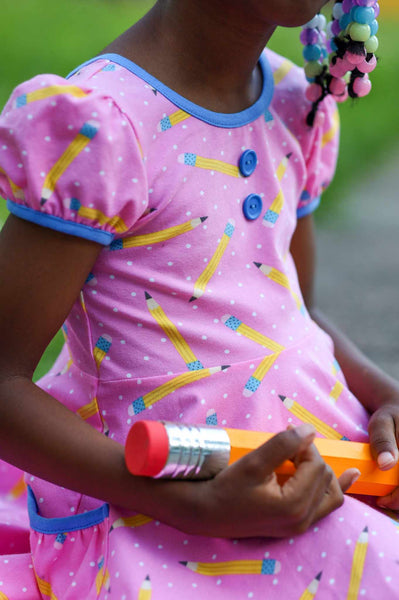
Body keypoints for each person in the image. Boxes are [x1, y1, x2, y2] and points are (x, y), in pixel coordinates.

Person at [0, 0, 395, 598]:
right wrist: (191, 506)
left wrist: (382, 392)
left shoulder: (295, 101)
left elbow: (296, 312)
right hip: (157, 517)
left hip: (317, 467)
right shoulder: (104, 125)